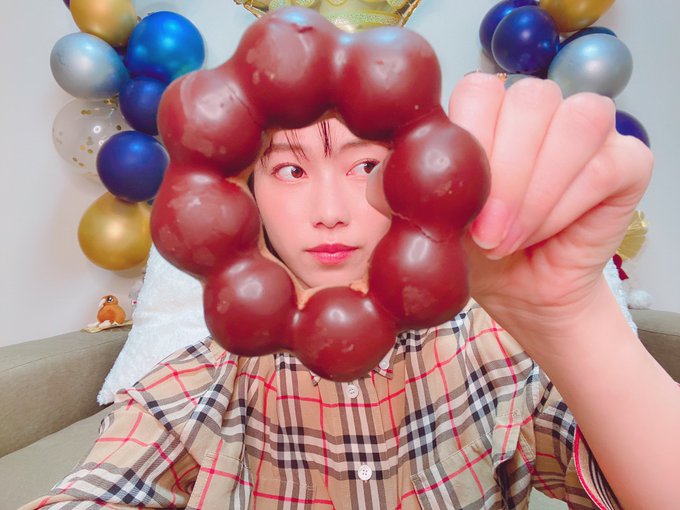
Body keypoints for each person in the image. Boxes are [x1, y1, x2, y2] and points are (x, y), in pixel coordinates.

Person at [21, 74, 678, 510]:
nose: (330, 212)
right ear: (251, 194)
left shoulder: (497, 355)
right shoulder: (199, 388)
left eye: (366, 164)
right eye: (290, 168)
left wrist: (571, 318)